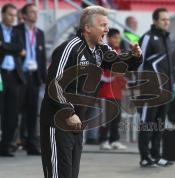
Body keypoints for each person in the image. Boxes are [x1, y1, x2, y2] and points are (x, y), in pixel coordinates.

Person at [40, 6, 142, 178]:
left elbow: (120, 66)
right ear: (87, 28)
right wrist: (68, 112)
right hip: (58, 120)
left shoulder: (101, 49)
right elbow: (53, 84)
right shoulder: (69, 48)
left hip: (79, 121)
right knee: (59, 174)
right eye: (103, 25)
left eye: (107, 25)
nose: (107, 29)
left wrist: (135, 57)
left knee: (71, 174)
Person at [138, 7, 173, 167]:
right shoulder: (147, 38)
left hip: (165, 91)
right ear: (155, 21)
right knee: (147, 124)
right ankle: (145, 157)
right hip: (150, 91)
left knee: (159, 125)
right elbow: (139, 63)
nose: (167, 22)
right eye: (163, 19)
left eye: (168, 19)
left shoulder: (167, 38)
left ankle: (157, 156)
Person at [16, 3, 47, 155]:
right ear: (24, 15)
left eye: (36, 12)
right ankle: (11, 142)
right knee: (14, 111)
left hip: (33, 76)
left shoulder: (39, 33)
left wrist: (44, 78)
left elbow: (41, 57)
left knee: (32, 112)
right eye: (32, 12)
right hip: (18, 76)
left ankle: (31, 144)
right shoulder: (16, 31)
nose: (35, 14)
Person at [0, 3, 26, 157]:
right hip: (1, 74)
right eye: (10, 15)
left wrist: (3, 45)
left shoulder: (17, 32)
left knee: (12, 114)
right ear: (2, 14)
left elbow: (21, 48)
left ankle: (5, 146)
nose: (12, 18)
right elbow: (17, 49)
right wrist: (14, 49)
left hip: (15, 77)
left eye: (14, 16)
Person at [98, 28, 127, 150]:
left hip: (117, 91)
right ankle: (103, 140)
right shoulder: (103, 52)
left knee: (117, 116)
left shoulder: (120, 53)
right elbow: (99, 72)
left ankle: (114, 140)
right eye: (115, 37)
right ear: (108, 38)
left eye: (119, 38)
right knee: (105, 117)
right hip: (105, 90)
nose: (117, 40)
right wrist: (112, 76)